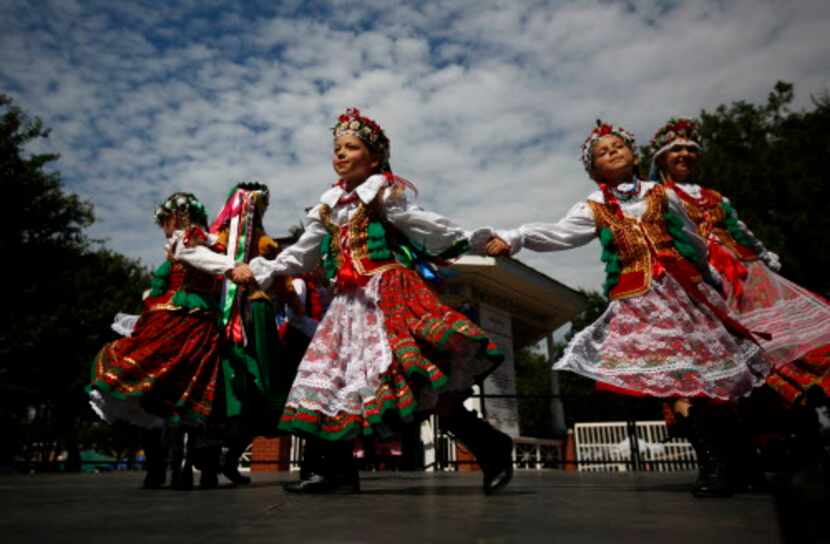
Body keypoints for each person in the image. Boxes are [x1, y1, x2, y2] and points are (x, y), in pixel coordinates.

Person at [229, 107, 511, 494]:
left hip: (389, 292)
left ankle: (491, 446)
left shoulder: (382, 193)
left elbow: (425, 229)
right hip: (347, 305)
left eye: (351, 147)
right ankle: (338, 473)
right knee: (332, 378)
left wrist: (478, 239)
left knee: (419, 378)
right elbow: (303, 254)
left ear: (374, 158)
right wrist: (263, 269)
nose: (341, 154)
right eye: (337, 148)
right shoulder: (328, 207)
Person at [486, 121, 772, 496]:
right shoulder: (594, 206)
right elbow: (559, 233)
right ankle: (714, 465)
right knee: (679, 385)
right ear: (594, 169)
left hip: (685, 296)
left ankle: (741, 463)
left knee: (710, 383)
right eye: (602, 152)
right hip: (642, 303)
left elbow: (691, 238)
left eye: (618, 146)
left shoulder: (661, 194)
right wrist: (516, 237)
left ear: (634, 154)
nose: (612, 152)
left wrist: (712, 281)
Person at [650, 117, 830, 484]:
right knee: (709, 363)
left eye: (690, 150)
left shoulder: (716, 198)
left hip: (745, 278)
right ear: (663, 159)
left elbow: (740, 231)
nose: (684, 154)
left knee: (776, 349)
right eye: (676, 150)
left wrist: (763, 257)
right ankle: (724, 457)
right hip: (698, 278)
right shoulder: (657, 196)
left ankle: (784, 438)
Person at [88, 192, 225, 489]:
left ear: (181, 215)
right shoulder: (182, 243)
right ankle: (163, 469)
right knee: (156, 393)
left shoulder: (196, 239)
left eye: (166, 218)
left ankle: (180, 469)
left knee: (175, 392)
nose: (163, 225)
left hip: (188, 323)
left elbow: (208, 268)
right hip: (168, 321)